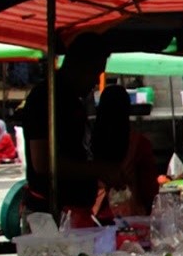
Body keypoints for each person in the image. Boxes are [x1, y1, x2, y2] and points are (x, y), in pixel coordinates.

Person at [20, 33, 121, 217]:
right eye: (95, 73)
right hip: (50, 211)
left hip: (75, 209)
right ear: (79, 65)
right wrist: (98, 169)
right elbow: (43, 163)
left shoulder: (73, 99)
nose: (95, 82)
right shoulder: (45, 97)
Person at [92, 85, 159, 216]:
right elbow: (149, 190)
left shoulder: (90, 142)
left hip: (95, 215)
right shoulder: (139, 144)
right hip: (131, 217)